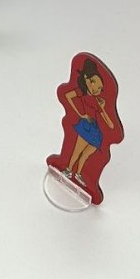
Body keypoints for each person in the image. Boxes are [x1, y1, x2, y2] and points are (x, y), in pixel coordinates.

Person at [59, 58, 117, 187]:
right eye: (95, 84)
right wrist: (80, 114)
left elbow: (111, 125)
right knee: (77, 151)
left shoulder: (98, 101)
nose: (98, 90)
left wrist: (103, 108)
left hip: (96, 132)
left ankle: (78, 174)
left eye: (100, 88)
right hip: (86, 127)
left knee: (85, 155)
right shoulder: (82, 92)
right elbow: (68, 96)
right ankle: (68, 170)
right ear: (87, 80)